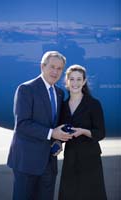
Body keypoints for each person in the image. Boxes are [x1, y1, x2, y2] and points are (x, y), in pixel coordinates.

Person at [7, 51, 73, 200]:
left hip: (49, 163)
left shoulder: (59, 93)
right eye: (52, 67)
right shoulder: (26, 89)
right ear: (42, 67)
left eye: (59, 68)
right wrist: (52, 133)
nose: (55, 72)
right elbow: (22, 124)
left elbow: (56, 124)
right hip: (27, 162)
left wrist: (59, 140)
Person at [58, 64, 107, 200]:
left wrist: (83, 131)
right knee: (69, 194)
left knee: (90, 195)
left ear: (84, 81)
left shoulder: (93, 104)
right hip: (70, 157)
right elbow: (60, 132)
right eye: (72, 79)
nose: (75, 83)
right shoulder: (63, 106)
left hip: (90, 158)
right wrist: (58, 142)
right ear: (67, 81)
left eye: (79, 79)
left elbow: (100, 133)